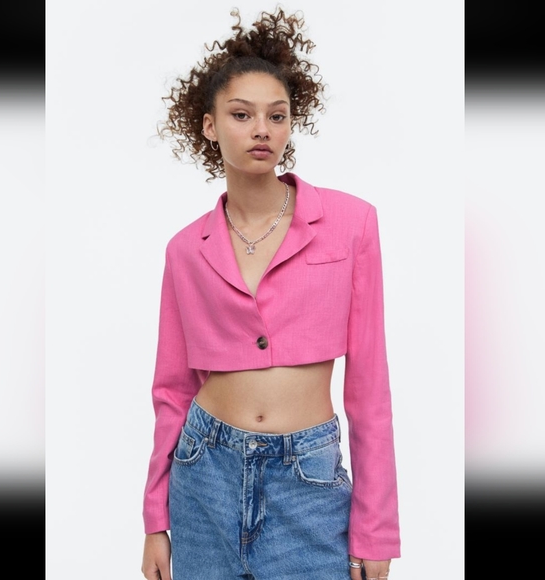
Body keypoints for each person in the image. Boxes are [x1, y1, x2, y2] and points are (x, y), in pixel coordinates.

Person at [141, 7, 400, 580]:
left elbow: (370, 388)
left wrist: (375, 530)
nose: (262, 129)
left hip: (307, 480)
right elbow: (171, 389)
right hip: (203, 475)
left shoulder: (351, 224)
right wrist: (155, 520)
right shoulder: (185, 249)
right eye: (241, 114)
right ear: (209, 126)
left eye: (276, 116)